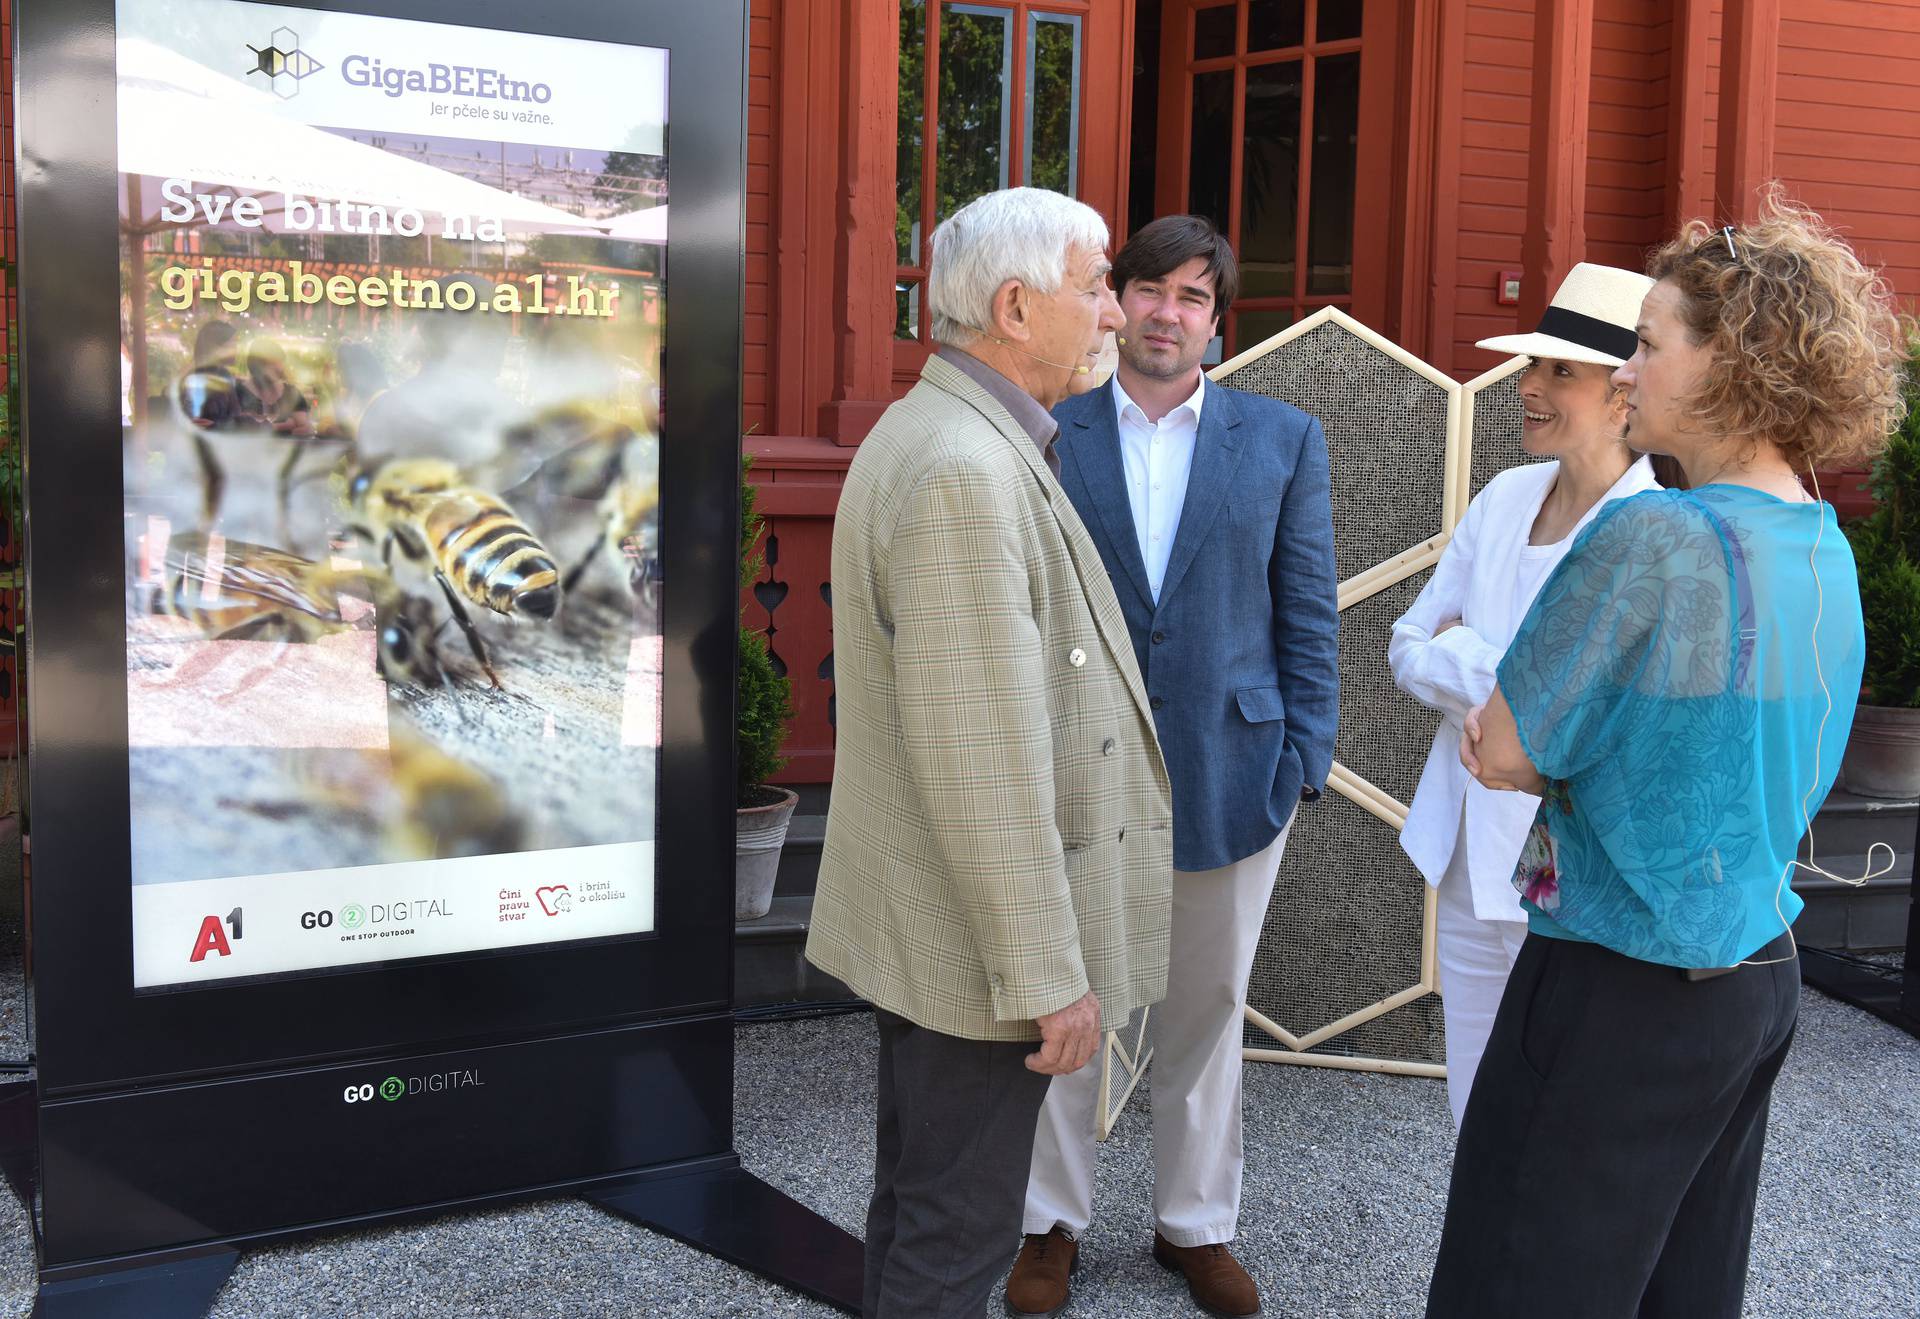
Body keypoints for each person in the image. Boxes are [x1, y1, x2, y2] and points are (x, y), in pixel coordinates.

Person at [1427, 192, 1905, 1317]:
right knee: (1679, 1292)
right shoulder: (1823, 542)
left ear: (1735, 360)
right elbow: (1732, 732)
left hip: (1616, 977)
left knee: (1521, 1285)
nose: (1627, 370)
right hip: (1753, 975)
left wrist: (1536, 747)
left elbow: (1500, 744)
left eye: (1647, 341)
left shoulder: (1656, 534)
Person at [805, 187, 1173, 1319]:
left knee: (921, 1206)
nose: (1116, 314)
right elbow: (981, 757)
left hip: (933, 921)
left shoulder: (942, 434)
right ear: (1016, 307)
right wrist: (1048, 972)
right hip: (973, 948)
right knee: (955, 1236)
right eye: (1097, 283)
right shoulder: (968, 468)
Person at [1009, 213, 1339, 1319]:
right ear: (1119, 303)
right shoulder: (1052, 432)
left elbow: (1308, 616)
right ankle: (1050, 1219)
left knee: (1206, 1009)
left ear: (1215, 318)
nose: (1166, 312)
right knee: (1071, 1005)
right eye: (1149, 288)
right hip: (1079, 772)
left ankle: (1194, 1226)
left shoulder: (1284, 438)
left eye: (1192, 296)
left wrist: (1306, 760)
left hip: (1235, 772)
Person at [1389, 263, 1660, 1130]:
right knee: (1475, 1097)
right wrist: (1513, 678)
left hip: (1569, 870)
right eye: (1532, 367)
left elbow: (1600, 712)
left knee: (1562, 1104)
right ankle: (1480, 1267)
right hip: (1472, 858)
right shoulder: (1506, 495)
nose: (1530, 387)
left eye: (1561, 372)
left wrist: (1473, 659)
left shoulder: (1652, 526)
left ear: (1624, 392)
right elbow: (1405, 646)